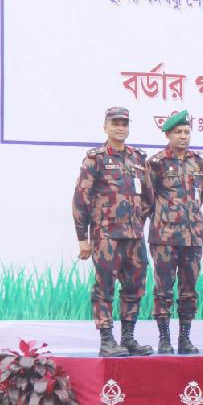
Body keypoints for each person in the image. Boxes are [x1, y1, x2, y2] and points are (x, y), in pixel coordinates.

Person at [72, 106, 154, 357]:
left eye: (124, 123)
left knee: (135, 286)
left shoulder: (139, 158)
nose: (120, 128)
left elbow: (148, 197)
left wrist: (138, 220)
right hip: (106, 234)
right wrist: (82, 239)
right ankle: (107, 339)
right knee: (104, 286)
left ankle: (127, 338)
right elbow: (80, 199)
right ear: (105, 126)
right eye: (115, 123)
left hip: (134, 235)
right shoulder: (95, 158)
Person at [144, 110, 203, 354]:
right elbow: (148, 199)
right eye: (178, 132)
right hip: (164, 236)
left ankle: (185, 338)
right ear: (168, 135)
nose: (183, 136)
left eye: (186, 132)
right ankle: (164, 338)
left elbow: (200, 195)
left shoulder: (198, 161)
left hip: (193, 236)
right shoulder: (156, 163)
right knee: (163, 290)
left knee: (189, 289)